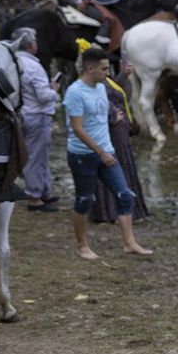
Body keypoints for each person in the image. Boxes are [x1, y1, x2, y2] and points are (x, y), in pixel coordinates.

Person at [62, 49, 152, 259]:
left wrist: (115, 117)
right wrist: (101, 152)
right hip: (83, 155)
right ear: (89, 68)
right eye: (104, 69)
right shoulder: (75, 92)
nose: (107, 72)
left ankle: (129, 243)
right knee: (84, 200)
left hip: (106, 152)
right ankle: (82, 245)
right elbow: (77, 129)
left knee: (125, 195)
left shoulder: (102, 87)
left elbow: (105, 111)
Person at [6, 31, 59, 211]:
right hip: (39, 115)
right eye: (35, 40)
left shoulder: (12, 62)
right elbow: (44, 96)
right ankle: (35, 197)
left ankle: (44, 191)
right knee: (36, 156)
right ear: (30, 46)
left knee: (38, 154)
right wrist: (55, 90)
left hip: (24, 114)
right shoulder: (34, 66)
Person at [87, 75, 148, 227]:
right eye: (104, 68)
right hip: (112, 129)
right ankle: (113, 211)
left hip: (118, 128)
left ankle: (124, 209)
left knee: (122, 164)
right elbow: (94, 104)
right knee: (116, 166)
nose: (106, 71)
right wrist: (112, 115)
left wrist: (123, 76)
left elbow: (122, 96)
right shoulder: (92, 84)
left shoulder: (106, 81)